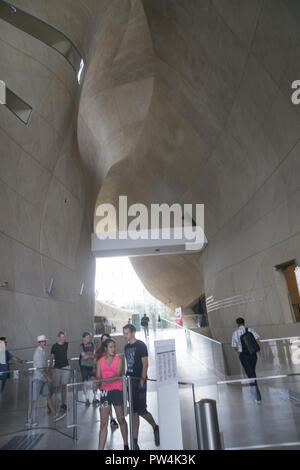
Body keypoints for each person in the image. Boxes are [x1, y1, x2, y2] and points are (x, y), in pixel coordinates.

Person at [123, 324, 160, 450]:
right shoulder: (126, 347)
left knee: (142, 411)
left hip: (139, 382)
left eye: (126, 333)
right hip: (130, 382)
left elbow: (145, 364)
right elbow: (128, 365)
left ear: (133, 333)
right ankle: (135, 442)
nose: (125, 335)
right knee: (133, 412)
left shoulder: (141, 345)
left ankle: (155, 427)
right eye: (124, 333)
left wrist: (142, 381)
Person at [96, 339, 129, 450]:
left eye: (114, 346)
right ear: (105, 348)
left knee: (120, 419)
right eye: (111, 347)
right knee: (103, 423)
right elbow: (98, 377)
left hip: (116, 390)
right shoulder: (99, 361)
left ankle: (126, 444)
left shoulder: (118, 359)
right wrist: (95, 381)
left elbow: (117, 375)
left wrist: (103, 380)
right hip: (105, 392)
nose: (113, 349)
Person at [26, 335, 64, 427]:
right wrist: (49, 378)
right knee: (33, 400)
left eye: (44, 341)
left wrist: (47, 376)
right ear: (39, 343)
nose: (44, 343)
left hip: (43, 379)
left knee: (48, 397)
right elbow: (40, 369)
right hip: (38, 379)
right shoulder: (37, 353)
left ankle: (55, 415)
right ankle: (29, 419)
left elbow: (44, 367)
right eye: (42, 341)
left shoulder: (43, 351)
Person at [232, 317, 262, 404]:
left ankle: (257, 396)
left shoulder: (235, 333)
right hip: (253, 354)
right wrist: (259, 350)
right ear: (244, 323)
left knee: (250, 374)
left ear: (237, 324)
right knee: (252, 372)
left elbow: (234, 346)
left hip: (243, 356)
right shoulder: (250, 330)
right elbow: (257, 340)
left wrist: (240, 349)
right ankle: (254, 390)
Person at [94, 333, 119, 429]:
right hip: (103, 380)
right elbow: (95, 362)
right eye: (103, 339)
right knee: (106, 401)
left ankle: (113, 418)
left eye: (106, 339)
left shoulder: (112, 350)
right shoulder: (99, 351)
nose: (105, 341)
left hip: (112, 379)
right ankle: (111, 419)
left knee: (112, 399)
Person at [49, 331, 70, 413]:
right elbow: (51, 357)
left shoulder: (66, 344)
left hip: (65, 367)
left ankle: (63, 403)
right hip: (57, 368)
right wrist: (50, 368)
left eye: (64, 337)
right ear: (59, 337)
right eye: (62, 337)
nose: (63, 338)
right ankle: (49, 401)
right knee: (55, 386)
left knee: (64, 386)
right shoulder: (54, 346)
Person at [79, 332, 98, 405]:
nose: (88, 339)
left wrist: (88, 356)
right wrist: (91, 356)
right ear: (83, 338)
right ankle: (86, 398)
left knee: (94, 381)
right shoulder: (81, 346)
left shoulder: (93, 345)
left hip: (91, 366)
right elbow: (84, 357)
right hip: (84, 366)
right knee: (85, 382)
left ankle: (95, 397)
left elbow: (94, 355)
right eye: (87, 337)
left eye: (89, 337)